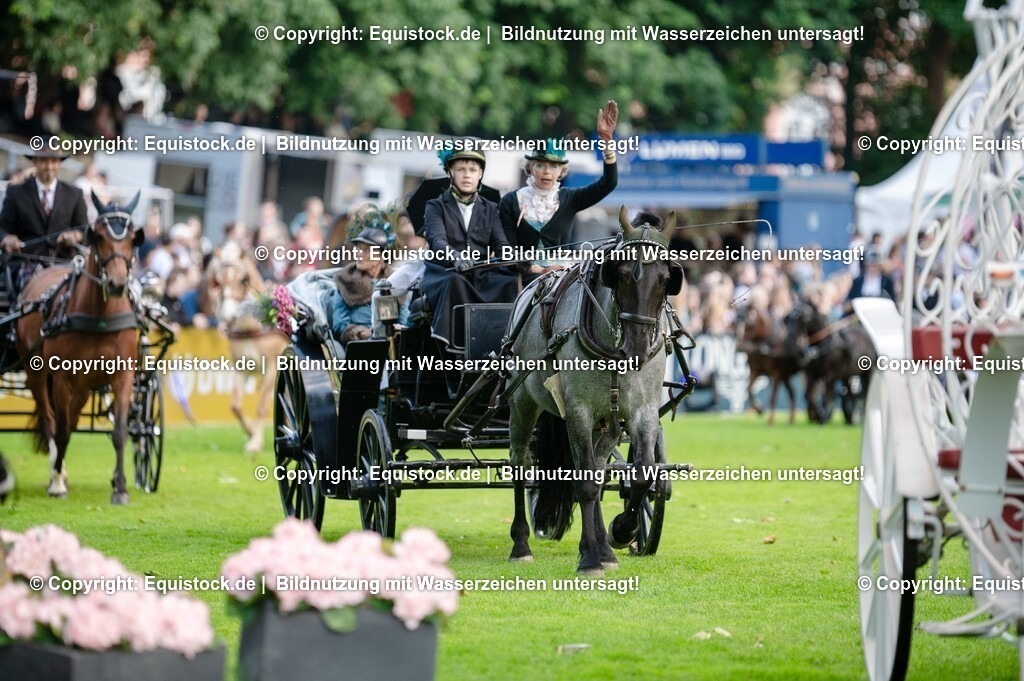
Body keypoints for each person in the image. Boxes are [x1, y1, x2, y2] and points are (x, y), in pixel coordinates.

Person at [499, 100, 619, 279]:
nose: (547, 172)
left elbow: (608, 183)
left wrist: (607, 143)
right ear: (530, 168)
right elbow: (505, 248)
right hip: (522, 277)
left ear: (561, 171)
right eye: (541, 165)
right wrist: (535, 269)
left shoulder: (570, 198)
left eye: (554, 166)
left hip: (561, 277)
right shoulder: (510, 201)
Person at [420, 146, 517, 348]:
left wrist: (515, 258)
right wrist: (456, 257)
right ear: (450, 172)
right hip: (445, 272)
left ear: (480, 174)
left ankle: (504, 344)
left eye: (472, 170)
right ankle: (456, 348)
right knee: (455, 281)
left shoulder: (491, 208)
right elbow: (438, 241)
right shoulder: (435, 206)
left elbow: (501, 244)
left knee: (509, 282)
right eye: (461, 169)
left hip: (479, 273)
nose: (467, 175)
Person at [0, 149, 89, 295]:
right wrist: (6, 238)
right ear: (35, 162)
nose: (49, 166)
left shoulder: (74, 194)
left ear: (59, 164)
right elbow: (2, 229)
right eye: (44, 161)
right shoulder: (16, 193)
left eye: (53, 161)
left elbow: (85, 230)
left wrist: (75, 236)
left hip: (64, 263)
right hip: (27, 262)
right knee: (35, 292)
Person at [330, 227, 392, 346]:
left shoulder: (395, 282)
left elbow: (406, 319)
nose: (359, 253)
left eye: (367, 250)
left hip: (392, 344)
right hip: (361, 345)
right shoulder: (345, 281)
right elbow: (339, 323)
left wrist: (397, 330)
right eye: (358, 248)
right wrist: (357, 331)